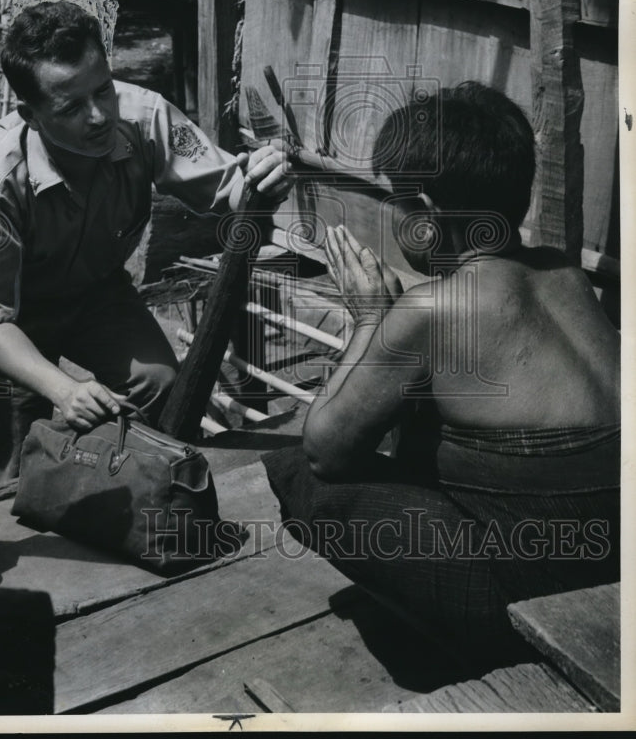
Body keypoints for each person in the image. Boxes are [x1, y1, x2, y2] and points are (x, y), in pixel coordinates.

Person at [263, 81, 619, 659]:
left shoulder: (431, 311)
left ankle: (469, 641)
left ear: (426, 216)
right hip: (614, 554)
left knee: (303, 482)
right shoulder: (564, 275)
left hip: (537, 594)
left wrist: (371, 319)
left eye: (398, 203)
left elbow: (325, 451)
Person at [0, 0, 290, 487]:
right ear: (31, 114)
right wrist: (65, 389)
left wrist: (263, 178)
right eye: (72, 107)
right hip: (9, 318)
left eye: (103, 90)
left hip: (97, 290)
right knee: (13, 464)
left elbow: (231, 189)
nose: (100, 115)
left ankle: (146, 501)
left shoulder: (144, 117)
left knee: (162, 383)